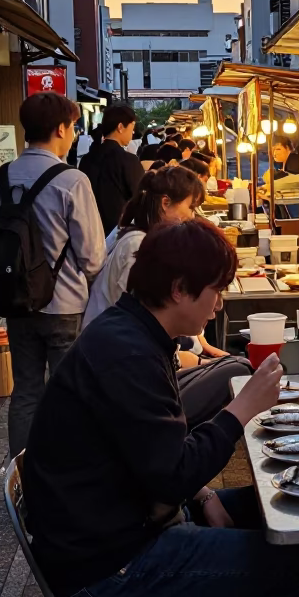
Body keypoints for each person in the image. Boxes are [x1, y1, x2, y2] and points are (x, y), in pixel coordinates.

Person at [22, 219, 299, 597]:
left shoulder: (131, 332)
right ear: (181, 289)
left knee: (265, 511)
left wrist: (205, 495)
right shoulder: (128, 352)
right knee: (293, 560)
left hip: (111, 527)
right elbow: (169, 472)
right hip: (105, 567)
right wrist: (242, 408)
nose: (220, 302)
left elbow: (150, 454)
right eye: (216, 289)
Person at [0, 93, 106, 457]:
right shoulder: (71, 180)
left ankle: (23, 476)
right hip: (65, 305)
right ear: (61, 128)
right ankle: (67, 473)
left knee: (25, 393)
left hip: (16, 304)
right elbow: (93, 257)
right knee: (69, 393)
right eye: (72, 127)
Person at [83, 167, 251, 424]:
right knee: (238, 370)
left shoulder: (136, 237)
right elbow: (150, 319)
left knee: (234, 366)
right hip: (121, 377)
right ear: (165, 203)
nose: (192, 216)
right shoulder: (136, 247)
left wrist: (200, 347)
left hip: (127, 363)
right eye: (191, 207)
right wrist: (190, 358)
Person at [80, 104, 145, 236]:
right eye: (132, 128)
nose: (133, 133)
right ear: (120, 127)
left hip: (88, 231)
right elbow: (139, 199)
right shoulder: (128, 160)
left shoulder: (86, 159)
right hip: (117, 232)